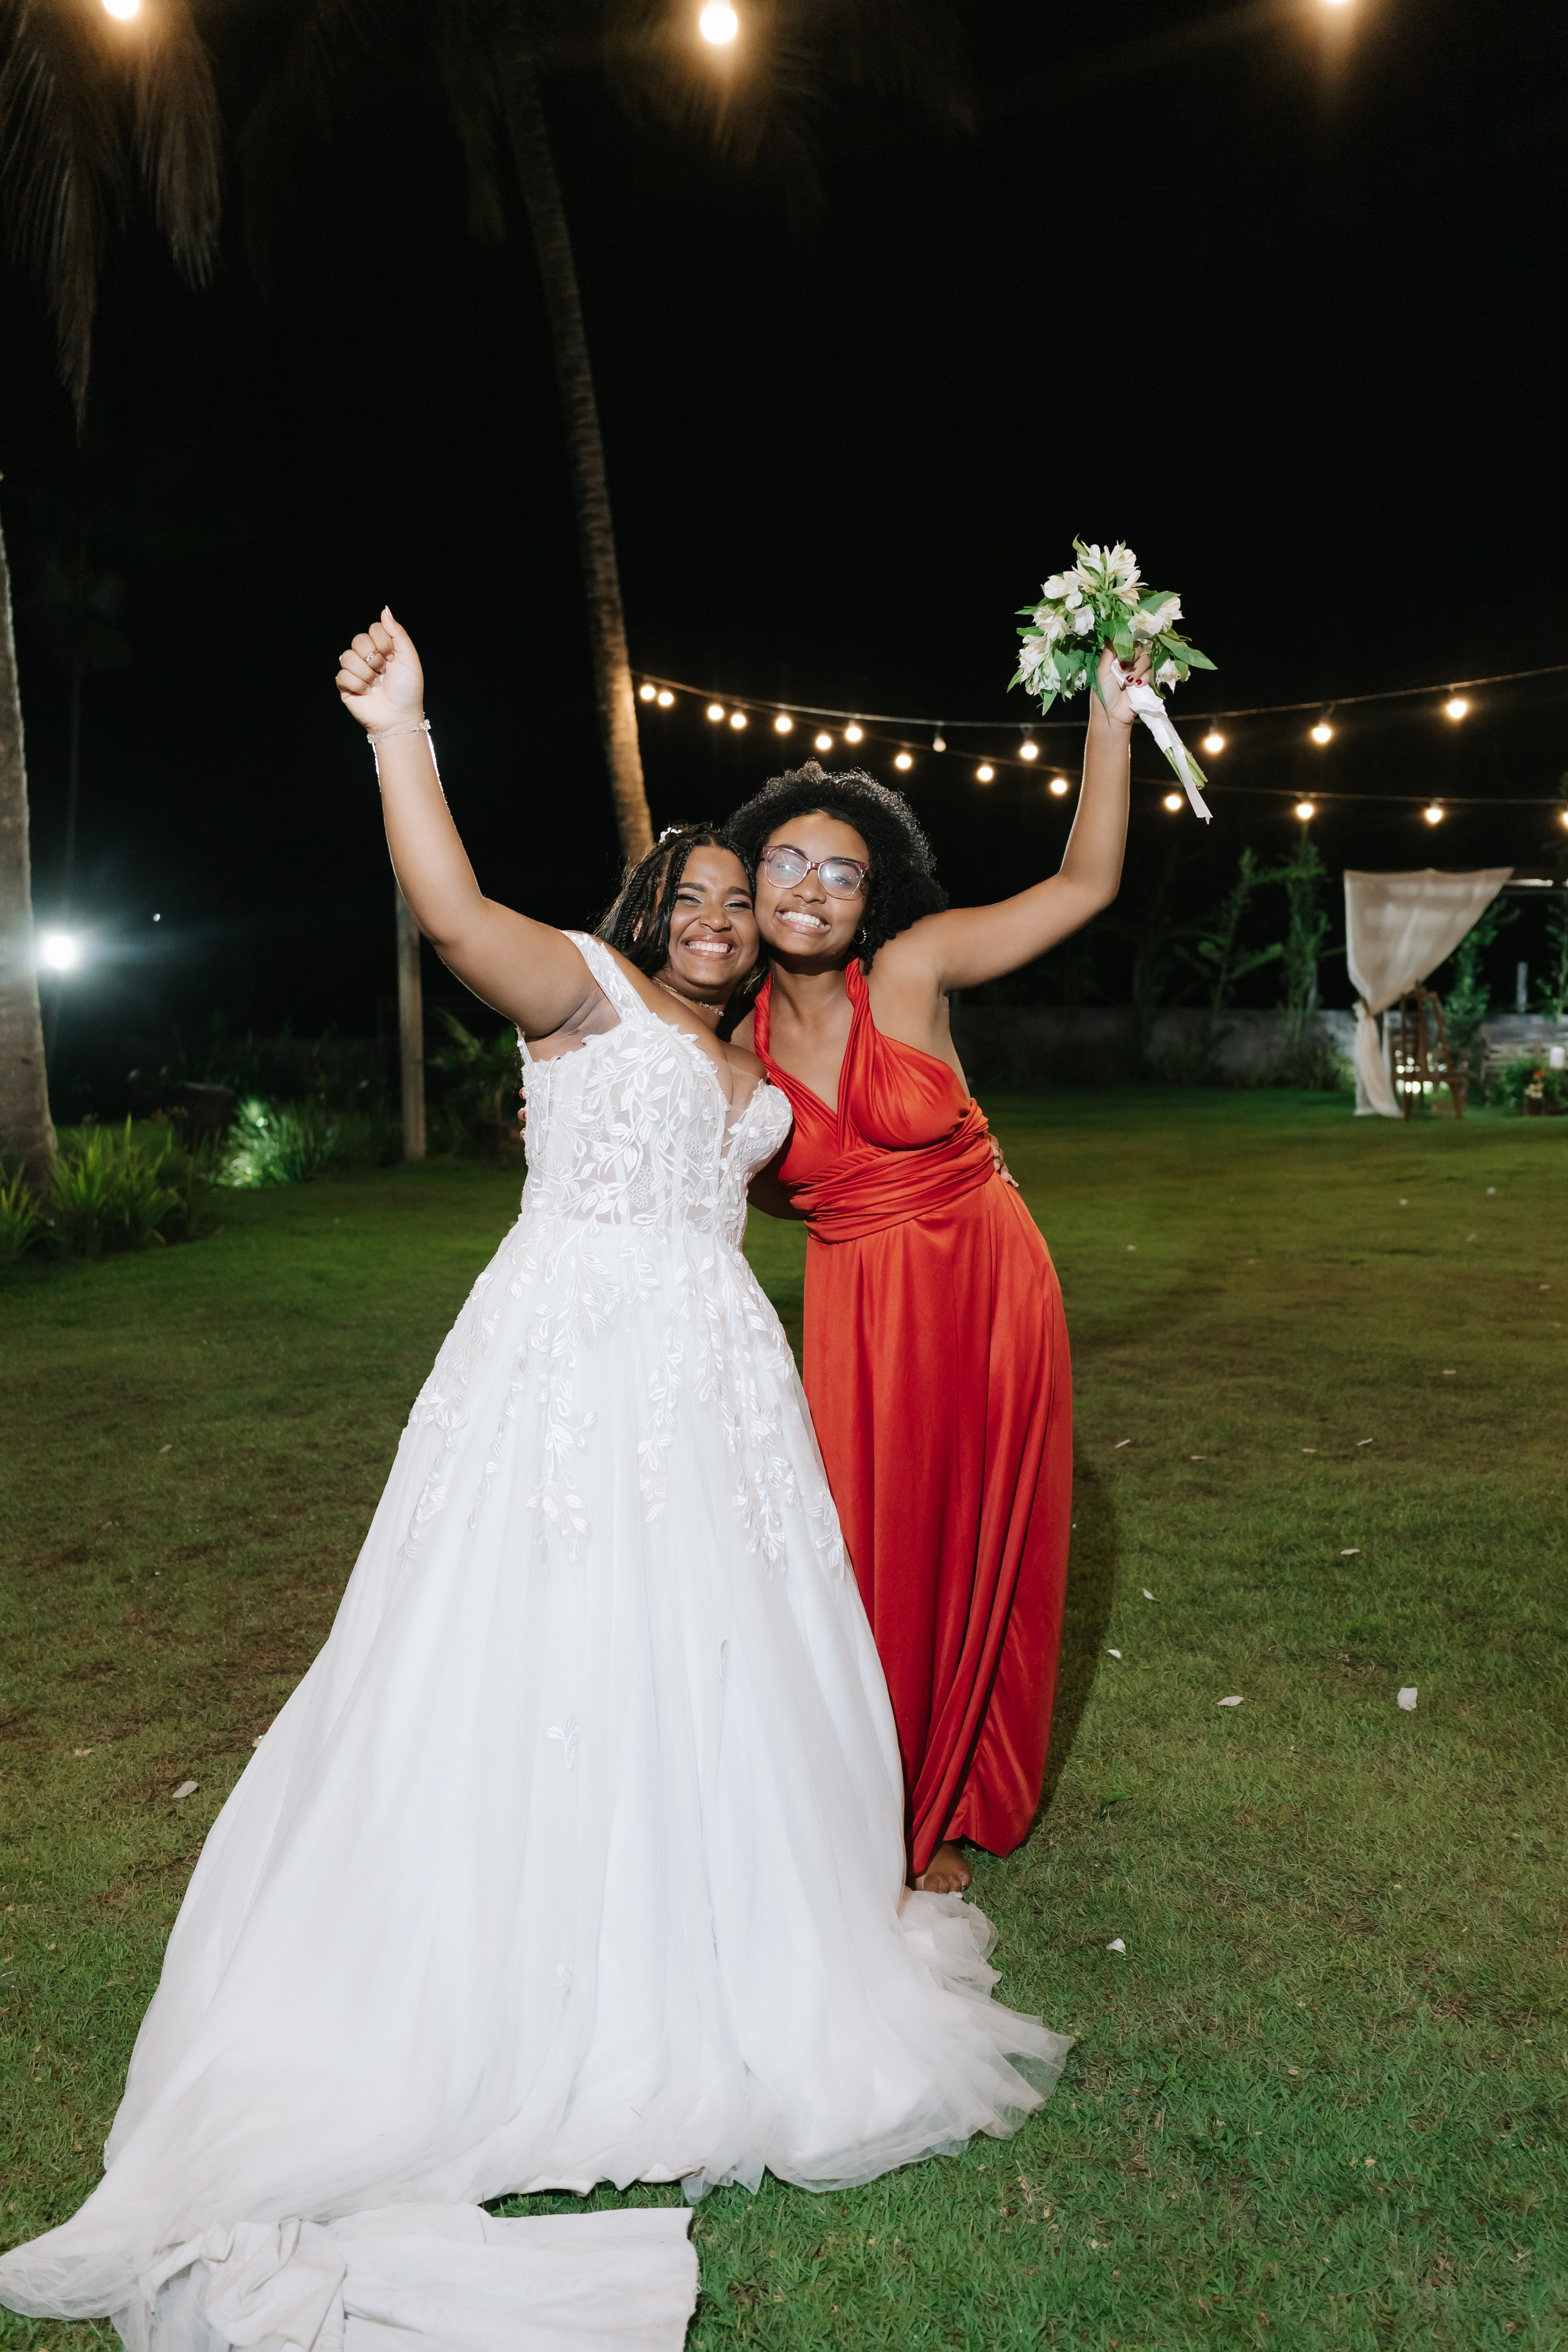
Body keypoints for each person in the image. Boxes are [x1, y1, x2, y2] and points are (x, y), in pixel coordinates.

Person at [0, 612, 1069, 2352]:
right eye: (703, 895)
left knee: (717, 1674)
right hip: (565, 1380)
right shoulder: (578, 989)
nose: (727, 917)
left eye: (751, 903)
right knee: (530, 1661)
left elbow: (880, 1180)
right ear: (653, 908)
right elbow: (448, 912)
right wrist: (403, 735)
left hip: (722, 1401)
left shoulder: (764, 1083)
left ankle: (715, 1955)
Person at [726, 645, 1141, 1898]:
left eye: (840, 872)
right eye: (786, 863)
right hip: (857, 1308)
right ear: (745, 880)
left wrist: (1108, 722)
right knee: (862, 1543)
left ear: (871, 897)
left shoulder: (908, 973)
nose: (809, 888)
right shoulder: (719, 1033)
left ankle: (945, 1796)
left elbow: (1083, 883)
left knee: (977, 1532)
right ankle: (866, 1793)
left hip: (986, 1282)